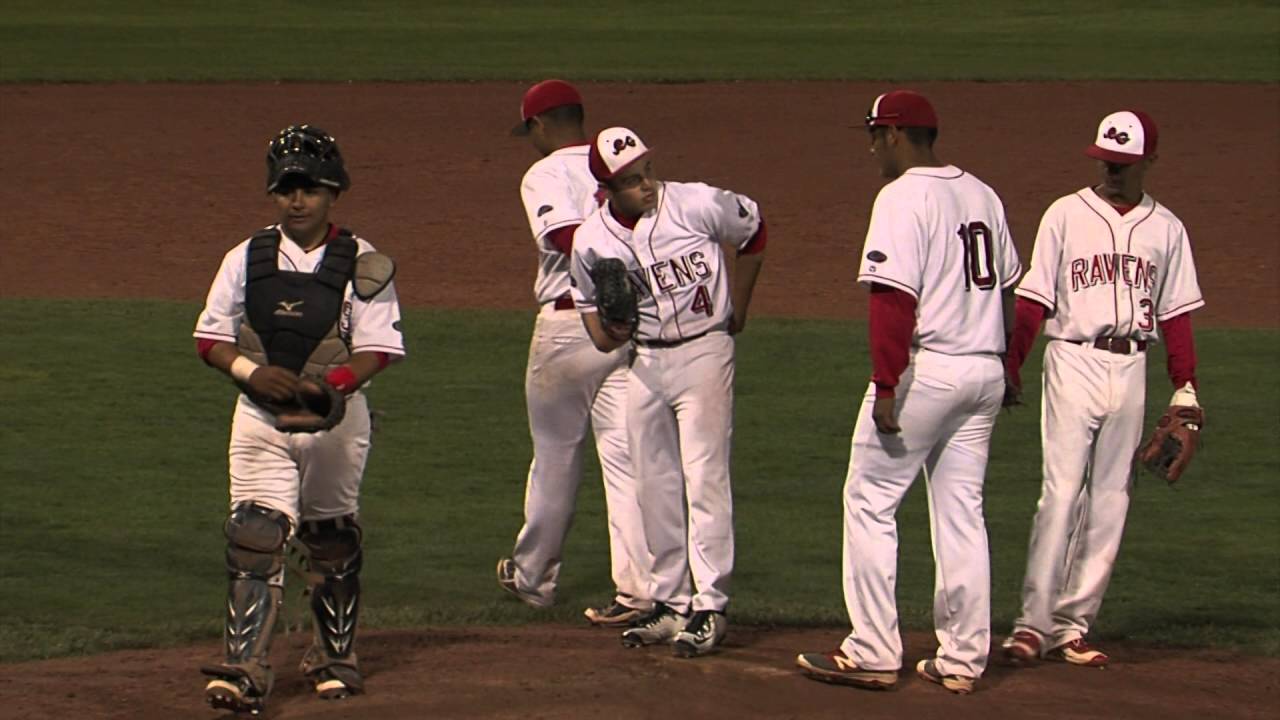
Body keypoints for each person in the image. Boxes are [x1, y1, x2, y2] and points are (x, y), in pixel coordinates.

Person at [795, 90, 1021, 695]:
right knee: (962, 514)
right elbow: (1007, 292)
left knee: (869, 501)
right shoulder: (982, 193)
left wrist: (887, 383)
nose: (872, 147)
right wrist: (1009, 369)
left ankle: (872, 649)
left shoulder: (900, 196)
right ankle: (964, 660)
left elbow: (892, 299)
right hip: (983, 371)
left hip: (931, 373)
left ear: (895, 135)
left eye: (875, 135)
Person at [194, 125, 405, 714]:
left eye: (310, 188)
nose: (297, 199)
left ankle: (334, 658)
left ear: (333, 191)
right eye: (287, 187)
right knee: (254, 538)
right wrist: (250, 373)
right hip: (259, 419)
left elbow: (380, 348)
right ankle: (245, 667)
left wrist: (327, 387)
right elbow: (209, 337)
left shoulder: (362, 260)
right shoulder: (246, 256)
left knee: (330, 539)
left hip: (336, 425)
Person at [1001, 110, 1204, 669]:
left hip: (1132, 367)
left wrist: (1184, 389)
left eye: (1123, 164)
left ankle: (1071, 624)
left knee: (1112, 500)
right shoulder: (1065, 214)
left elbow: (1177, 315)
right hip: (1072, 360)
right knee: (1061, 493)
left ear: (1148, 163)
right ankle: (1031, 624)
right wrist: (1011, 365)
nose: (1112, 171)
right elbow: (1033, 300)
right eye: (1105, 162)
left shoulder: (1167, 228)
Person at [568, 126, 767, 658]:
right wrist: (609, 333)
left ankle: (710, 605)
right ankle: (670, 601)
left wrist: (740, 307)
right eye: (631, 181)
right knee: (652, 480)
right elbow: (591, 313)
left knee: (704, 476)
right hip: (646, 359)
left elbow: (754, 231)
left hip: (705, 351)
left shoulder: (698, 202)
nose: (647, 186)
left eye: (647, 172)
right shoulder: (591, 240)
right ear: (607, 189)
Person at [495, 79, 651, 627]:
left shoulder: (544, 172)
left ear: (540, 125)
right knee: (626, 460)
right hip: (629, 326)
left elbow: (563, 236)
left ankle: (534, 578)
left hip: (568, 327)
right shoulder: (622, 163)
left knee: (557, 455)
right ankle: (637, 588)